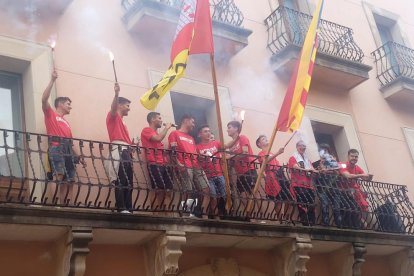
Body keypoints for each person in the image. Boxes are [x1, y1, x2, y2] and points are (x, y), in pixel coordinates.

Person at [42, 70, 84, 205]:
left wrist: (79, 156)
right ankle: (54, 205)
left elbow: (71, 143)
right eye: (68, 104)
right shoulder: (51, 114)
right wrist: (52, 80)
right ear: (60, 104)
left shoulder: (66, 122)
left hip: (67, 149)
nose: (70, 106)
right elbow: (44, 99)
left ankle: (66, 205)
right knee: (58, 175)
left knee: (70, 179)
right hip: (56, 146)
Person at [168, 114, 210, 218]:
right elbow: (172, 151)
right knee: (188, 190)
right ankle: (187, 213)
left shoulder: (191, 138)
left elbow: (195, 152)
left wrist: (202, 156)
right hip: (185, 165)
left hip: (197, 165)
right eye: (192, 122)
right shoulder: (174, 133)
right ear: (185, 120)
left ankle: (204, 215)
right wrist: (178, 163)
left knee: (207, 190)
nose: (194, 125)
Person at [106, 82, 133, 214]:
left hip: (127, 151)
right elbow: (112, 108)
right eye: (127, 106)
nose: (129, 109)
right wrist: (116, 93)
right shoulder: (113, 116)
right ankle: (121, 207)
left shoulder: (123, 122)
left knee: (129, 181)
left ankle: (129, 207)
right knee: (121, 178)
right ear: (120, 105)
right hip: (120, 149)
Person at [141, 112, 174, 210]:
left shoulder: (157, 133)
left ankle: (167, 215)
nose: (161, 120)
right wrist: (167, 127)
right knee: (157, 190)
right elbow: (158, 138)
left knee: (168, 191)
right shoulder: (146, 130)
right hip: (154, 164)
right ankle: (156, 215)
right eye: (159, 118)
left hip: (165, 165)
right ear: (152, 119)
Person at [256, 135, 289, 221]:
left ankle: (285, 219)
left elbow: (276, 164)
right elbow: (265, 162)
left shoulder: (271, 152)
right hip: (272, 177)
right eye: (263, 139)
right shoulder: (261, 154)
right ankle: (281, 220)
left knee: (288, 199)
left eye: (266, 138)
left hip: (279, 176)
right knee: (278, 200)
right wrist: (278, 153)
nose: (266, 139)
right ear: (259, 144)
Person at [196, 125, 226, 216]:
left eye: (209, 131)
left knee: (225, 196)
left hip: (219, 174)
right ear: (199, 134)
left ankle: (226, 214)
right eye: (205, 131)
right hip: (207, 176)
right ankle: (216, 217)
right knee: (213, 198)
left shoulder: (216, 143)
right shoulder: (197, 147)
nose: (208, 133)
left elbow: (226, 150)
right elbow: (195, 161)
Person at [227, 121, 256, 210]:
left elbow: (245, 153)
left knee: (253, 195)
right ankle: (249, 216)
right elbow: (232, 161)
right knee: (243, 196)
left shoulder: (242, 138)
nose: (227, 130)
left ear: (236, 129)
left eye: (229, 127)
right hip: (240, 173)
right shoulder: (231, 145)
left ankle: (257, 219)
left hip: (249, 170)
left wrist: (230, 156)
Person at [339, 148, 372, 228]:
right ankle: (352, 225)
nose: (354, 158)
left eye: (356, 157)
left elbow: (366, 179)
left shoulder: (357, 168)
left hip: (354, 193)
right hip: (343, 193)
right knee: (350, 209)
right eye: (352, 156)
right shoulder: (342, 164)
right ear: (348, 156)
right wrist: (362, 175)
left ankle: (358, 224)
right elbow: (348, 175)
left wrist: (369, 177)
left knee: (358, 208)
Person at [288, 140, 317, 226]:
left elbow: (312, 169)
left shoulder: (307, 159)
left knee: (311, 204)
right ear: (297, 147)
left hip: (309, 186)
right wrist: (306, 170)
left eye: (304, 146)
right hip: (298, 185)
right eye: (301, 146)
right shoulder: (293, 157)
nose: (303, 148)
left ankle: (312, 224)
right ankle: (305, 223)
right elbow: (295, 166)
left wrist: (317, 171)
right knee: (302, 205)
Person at [314, 144, 342, 226]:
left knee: (337, 207)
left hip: (334, 187)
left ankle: (339, 225)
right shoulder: (317, 162)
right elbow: (315, 174)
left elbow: (338, 173)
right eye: (323, 150)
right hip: (322, 187)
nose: (324, 152)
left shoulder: (333, 161)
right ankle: (326, 224)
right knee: (324, 205)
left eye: (326, 150)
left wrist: (330, 169)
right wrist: (320, 167)